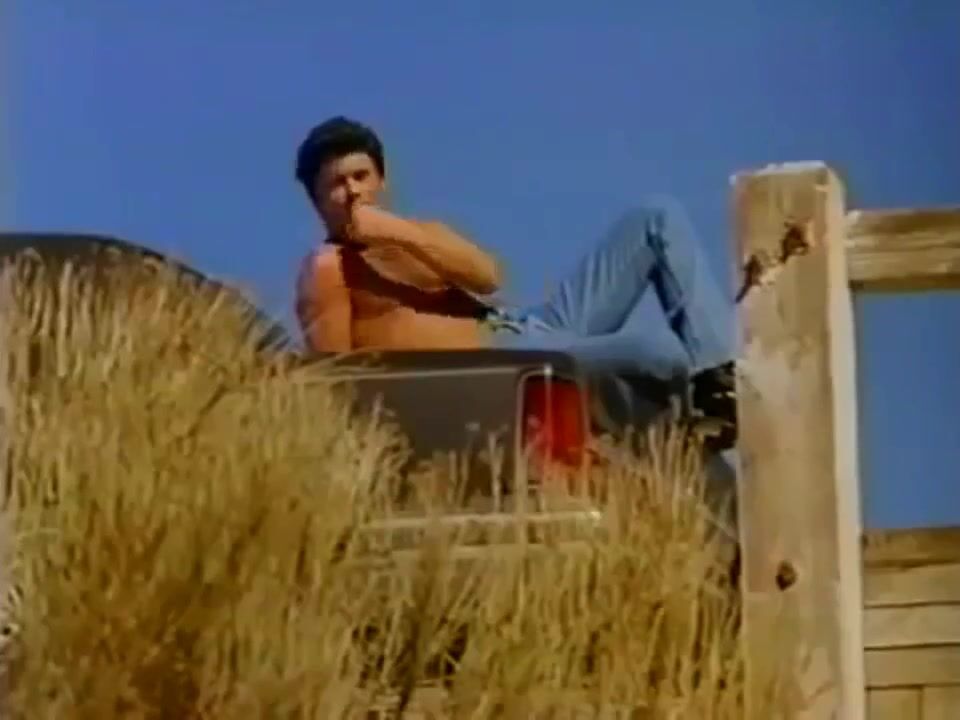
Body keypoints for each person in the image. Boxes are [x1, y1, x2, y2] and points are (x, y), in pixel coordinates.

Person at [294, 116, 737, 449]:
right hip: (500, 365)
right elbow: (337, 382)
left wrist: (394, 232)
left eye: (361, 177)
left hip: (529, 327)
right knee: (655, 351)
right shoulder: (328, 267)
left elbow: (487, 277)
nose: (353, 192)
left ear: (382, 181)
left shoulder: (419, 234)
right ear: (316, 201)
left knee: (656, 215)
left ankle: (722, 384)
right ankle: (679, 434)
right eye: (336, 184)